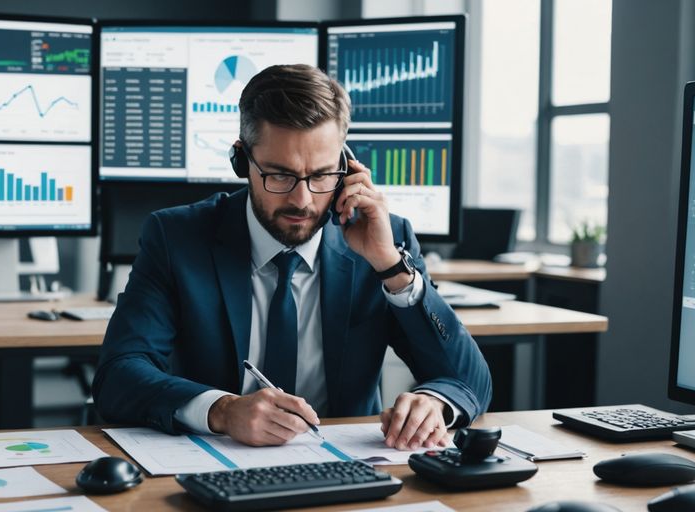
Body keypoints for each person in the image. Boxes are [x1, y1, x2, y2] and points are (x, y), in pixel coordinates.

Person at [93, 64, 491, 450]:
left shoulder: (386, 238)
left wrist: (390, 266)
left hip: (349, 471)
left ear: (346, 166)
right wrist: (223, 410)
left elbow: (472, 382)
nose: (302, 201)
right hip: (214, 465)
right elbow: (119, 375)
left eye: (321, 176)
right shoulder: (177, 237)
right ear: (241, 161)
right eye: (279, 175)